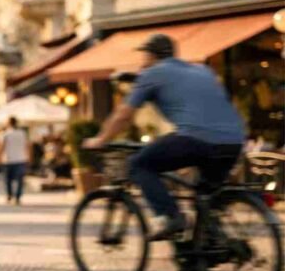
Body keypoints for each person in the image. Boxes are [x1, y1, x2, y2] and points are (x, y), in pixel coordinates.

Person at [84, 33, 245, 241]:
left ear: (152, 56)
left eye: (144, 56)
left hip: (196, 140)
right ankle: (212, 246)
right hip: (233, 141)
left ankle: (170, 217)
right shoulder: (202, 70)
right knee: (204, 196)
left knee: (139, 164)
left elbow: (123, 115)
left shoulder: (152, 74)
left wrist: (101, 139)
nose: (142, 62)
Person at [0, 116, 31, 205]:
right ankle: (18, 197)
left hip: (8, 159)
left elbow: (1, 147)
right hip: (21, 159)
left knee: (7, 180)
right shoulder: (22, 133)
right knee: (20, 180)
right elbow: (27, 146)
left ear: (8, 123)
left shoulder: (4, 134)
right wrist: (28, 156)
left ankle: (9, 195)